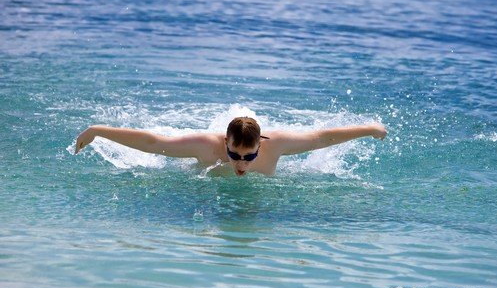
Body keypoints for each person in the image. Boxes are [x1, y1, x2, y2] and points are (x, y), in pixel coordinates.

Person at [75, 117, 387, 176]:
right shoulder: (205, 147)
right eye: (234, 155)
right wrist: (98, 131)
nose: (241, 163)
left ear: (260, 145)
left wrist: (369, 129)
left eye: (248, 157)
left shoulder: (275, 146)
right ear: (224, 142)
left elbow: (322, 138)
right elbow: (154, 143)